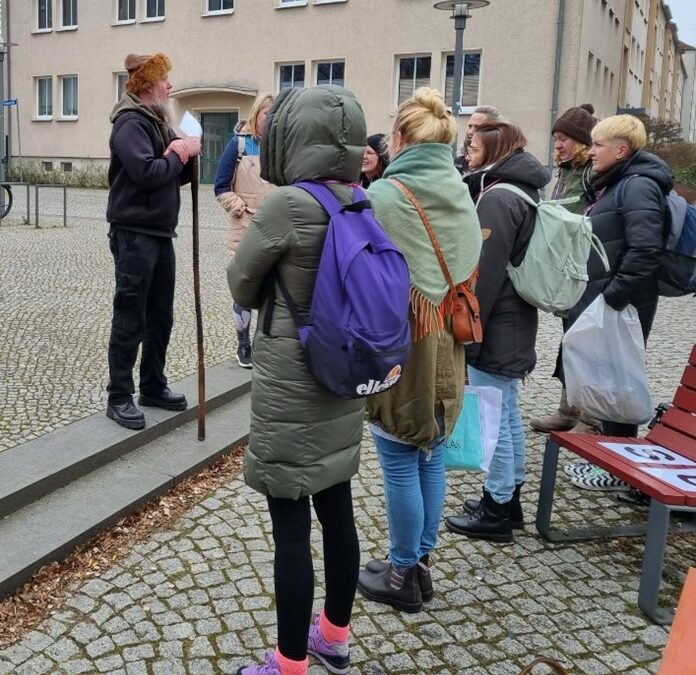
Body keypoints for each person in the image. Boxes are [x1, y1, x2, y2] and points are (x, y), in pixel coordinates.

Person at [227, 85, 367, 675]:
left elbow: (241, 282)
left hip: (291, 383)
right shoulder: (360, 198)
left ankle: (287, 664)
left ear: (290, 138)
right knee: (336, 508)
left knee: (289, 523)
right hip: (342, 375)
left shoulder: (288, 204)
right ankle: (333, 637)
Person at [356, 88, 482, 612]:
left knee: (400, 454)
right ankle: (421, 562)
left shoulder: (386, 196)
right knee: (429, 450)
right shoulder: (461, 194)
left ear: (401, 139)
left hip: (405, 340)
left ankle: (404, 570)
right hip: (450, 341)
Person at [445, 122, 549, 542]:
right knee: (506, 413)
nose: (467, 152)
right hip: (512, 322)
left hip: (497, 325)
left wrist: (470, 336)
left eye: (473, 145)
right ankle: (510, 497)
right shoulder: (518, 190)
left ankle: (497, 510)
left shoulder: (499, 198)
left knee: (496, 420)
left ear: (494, 149)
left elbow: (482, 276)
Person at [565, 114, 673, 491]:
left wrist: (612, 297)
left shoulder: (637, 185)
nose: (591, 151)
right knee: (612, 380)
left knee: (619, 383)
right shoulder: (620, 183)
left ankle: (620, 465)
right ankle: (615, 462)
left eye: (598, 144)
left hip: (625, 301)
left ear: (621, 149)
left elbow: (645, 250)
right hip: (616, 297)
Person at [105, 52, 201, 430]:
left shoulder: (157, 122)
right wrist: (179, 152)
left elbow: (167, 176)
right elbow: (147, 173)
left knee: (161, 314)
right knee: (131, 313)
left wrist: (186, 156)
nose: (170, 85)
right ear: (147, 84)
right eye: (165, 79)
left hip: (160, 232)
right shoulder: (129, 123)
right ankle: (119, 396)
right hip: (134, 233)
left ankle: (153, 385)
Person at [530, 103, 602, 435]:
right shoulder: (566, 169)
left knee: (587, 343)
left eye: (564, 139)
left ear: (582, 141)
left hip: (587, 269)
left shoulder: (593, 172)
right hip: (566, 268)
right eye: (556, 138)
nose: (557, 144)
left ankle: (591, 418)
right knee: (570, 339)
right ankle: (568, 409)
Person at [214, 93, 275, 369]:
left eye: (274, 114)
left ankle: (266, 343)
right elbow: (220, 186)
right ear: (255, 114)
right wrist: (237, 205)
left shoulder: (279, 146)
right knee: (244, 290)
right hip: (244, 228)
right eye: (265, 113)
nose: (269, 118)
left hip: (274, 228)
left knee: (272, 290)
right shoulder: (238, 144)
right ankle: (243, 344)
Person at [455, 104, 502, 175]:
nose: (470, 132)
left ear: (494, 130)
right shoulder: (458, 163)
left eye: (478, 127)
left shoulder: (505, 166)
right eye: (470, 126)